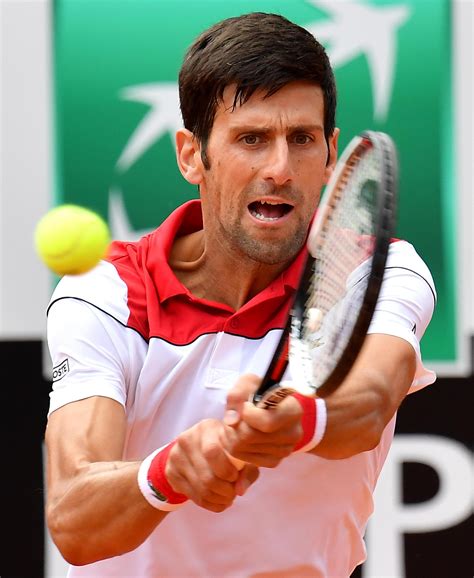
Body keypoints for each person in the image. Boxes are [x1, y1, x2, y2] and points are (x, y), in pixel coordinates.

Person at [44, 12, 436, 578]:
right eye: (251, 139)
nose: (279, 168)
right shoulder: (106, 291)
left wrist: (300, 420)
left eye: (301, 139)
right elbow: (74, 521)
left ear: (329, 155)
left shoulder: (379, 270)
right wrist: (168, 473)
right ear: (190, 155)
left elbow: (370, 403)